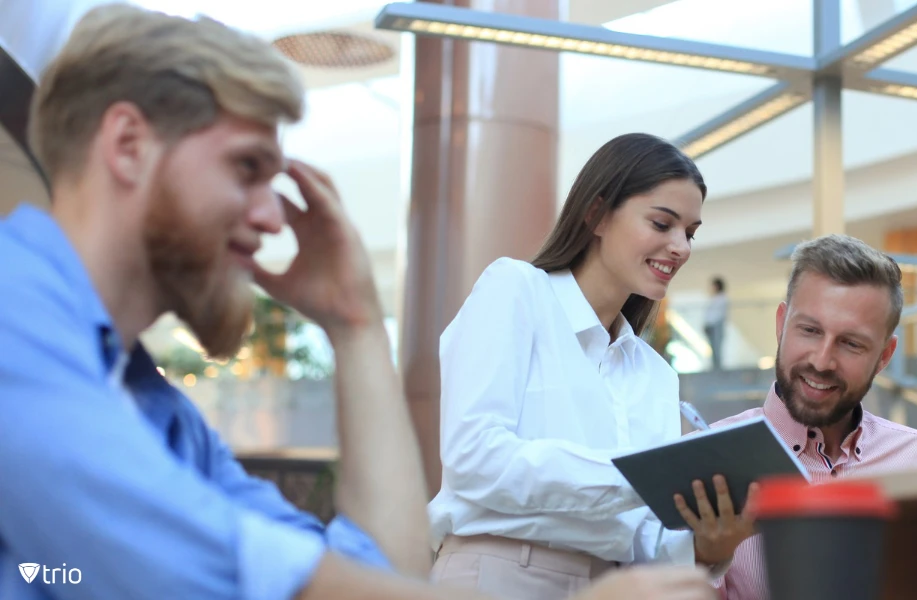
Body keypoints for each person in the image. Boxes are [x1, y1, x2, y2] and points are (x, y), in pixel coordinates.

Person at [0, 6, 719, 600]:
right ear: (127, 143)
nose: (272, 217)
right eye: (247, 169)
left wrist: (354, 326)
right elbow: (221, 566)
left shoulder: (155, 409)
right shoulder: (14, 320)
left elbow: (378, 567)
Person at [429, 133, 756, 599]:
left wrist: (706, 544)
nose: (681, 247)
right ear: (597, 213)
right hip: (501, 574)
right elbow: (475, 459)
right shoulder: (517, 290)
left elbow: (642, 536)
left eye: (690, 232)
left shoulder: (656, 374)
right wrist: (644, 476)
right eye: (663, 223)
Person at [707, 235, 917, 600]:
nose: (822, 361)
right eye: (810, 330)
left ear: (884, 356)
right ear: (781, 324)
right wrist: (708, 557)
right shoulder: (711, 457)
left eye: (851, 343)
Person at [704, 276, 729, 370]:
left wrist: (712, 323)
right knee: (713, 347)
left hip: (717, 325)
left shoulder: (723, 298)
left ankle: (718, 368)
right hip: (711, 325)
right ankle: (715, 367)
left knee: (717, 346)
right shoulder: (713, 298)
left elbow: (718, 314)